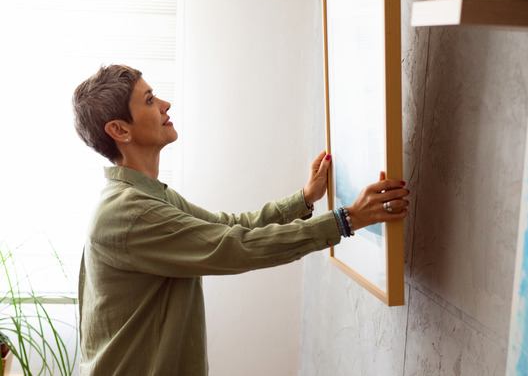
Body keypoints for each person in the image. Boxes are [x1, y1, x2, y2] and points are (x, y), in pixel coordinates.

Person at [72, 64, 409, 375]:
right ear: (119, 129)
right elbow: (236, 248)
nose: (165, 104)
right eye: (149, 100)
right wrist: (345, 220)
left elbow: (229, 226)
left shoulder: (148, 197)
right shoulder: (129, 213)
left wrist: (304, 199)